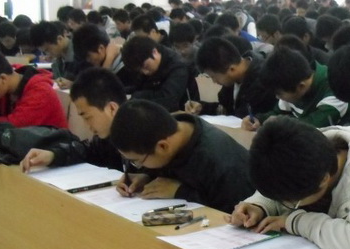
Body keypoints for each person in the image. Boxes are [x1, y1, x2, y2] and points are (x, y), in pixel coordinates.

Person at [228, 117, 350, 249]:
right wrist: (259, 206)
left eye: (291, 203)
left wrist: (294, 221)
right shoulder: (300, 146)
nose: (286, 204)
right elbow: (281, 181)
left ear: (323, 180)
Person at [110, 99, 254, 212]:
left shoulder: (221, 163)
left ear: (162, 146)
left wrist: (180, 191)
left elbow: (232, 212)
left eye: (136, 161)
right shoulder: (166, 130)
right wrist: (145, 175)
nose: (138, 165)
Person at [21, 68, 126, 172]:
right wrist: (52, 155)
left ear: (112, 109)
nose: (87, 125)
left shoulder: (134, 137)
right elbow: (86, 151)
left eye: (88, 117)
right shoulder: (106, 139)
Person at [245, 46, 349, 130]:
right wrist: (257, 120)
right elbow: (277, 113)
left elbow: (314, 125)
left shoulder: (334, 87)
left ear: (301, 86)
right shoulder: (291, 84)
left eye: (279, 94)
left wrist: (280, 123)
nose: (277, 97)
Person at [0, 46, 67, 128]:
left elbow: (15, 124)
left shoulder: (40, 92)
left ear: (2, 78)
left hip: (50, 143)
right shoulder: (7, 86)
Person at [185, 36, 276, 118]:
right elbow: (224, 106)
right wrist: (202, 107)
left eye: (213, 77)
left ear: (232, 69)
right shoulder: (233, 78)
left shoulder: (263, 82)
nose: (214, 81)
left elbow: (241, 117)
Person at [121, 36, 197, 112]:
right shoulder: (146, 63)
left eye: (145, 66)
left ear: (154, 52)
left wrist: (138, 96)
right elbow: (139, 87)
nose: (145, 72)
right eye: (139, 70)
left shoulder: (178, 67)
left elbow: (168, 99)